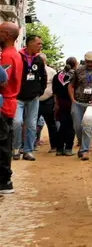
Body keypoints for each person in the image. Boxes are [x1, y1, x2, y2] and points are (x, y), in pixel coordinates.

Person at [13, 35, 46, 161]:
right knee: (17, 122)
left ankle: (28, 151)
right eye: (38, 44)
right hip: (18, 97)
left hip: (33, 98)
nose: (40, 46)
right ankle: (16, 148)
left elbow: (43, 77)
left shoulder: (38, 60)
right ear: (30, 43)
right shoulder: (18, 57)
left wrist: (39, 91)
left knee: (32, 125)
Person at [0, 21, 22, 193]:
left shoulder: (7, 55)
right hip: (9, 103)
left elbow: (3, 80)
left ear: (6, 36)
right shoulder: (14, 54)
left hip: (4, 103)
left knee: (2, 144)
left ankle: (4, 181)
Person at [69, 52, 92, 160]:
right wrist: (73, 100)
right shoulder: (78, 70)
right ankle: (82, 144)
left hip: (91, 104)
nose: (90, 64)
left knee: (87, 128)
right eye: (88, 61)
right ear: (85, 60)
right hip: (78, 103)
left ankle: (85, 150)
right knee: (77, 127)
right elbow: (71, 86)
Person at [53, 57, 77, 156]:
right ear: (75, 64)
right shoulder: (75, 75)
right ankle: (68, 148)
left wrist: (56, 104)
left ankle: (59, 148)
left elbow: (54, 92)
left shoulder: (57, 75)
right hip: (72, 102)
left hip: (60, 103)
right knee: (71, 126)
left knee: (62, 125)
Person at [35, 56, 58, 153]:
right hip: (35, 100)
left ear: (44, 61)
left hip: (48, 101)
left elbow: (56, 87)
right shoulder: (34, 69)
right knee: (32, 124)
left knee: (51, 124)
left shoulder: (52, 71)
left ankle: (54, 146)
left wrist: (55, 101)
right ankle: (31, 145)